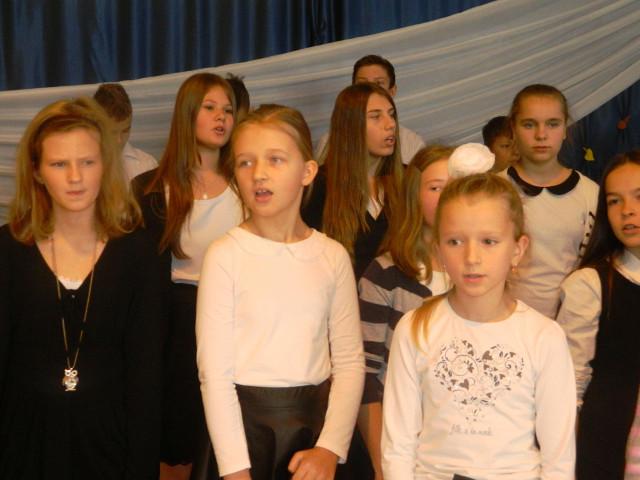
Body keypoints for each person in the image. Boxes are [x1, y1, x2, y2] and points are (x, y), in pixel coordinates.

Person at [196, 104, 365, 480]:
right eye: (245, 162)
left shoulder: (332, 256)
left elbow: (350, 362)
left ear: (307, 171)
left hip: (315, 433)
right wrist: (235, 469)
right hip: (244, 437)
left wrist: (329, 448)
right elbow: (215, 374)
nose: (258, 174)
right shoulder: (225, 255)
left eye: (275, 160)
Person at [0, 97, 165, 479]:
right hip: (21, 446)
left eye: (87, 162)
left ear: (105, 165)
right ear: (37, 171)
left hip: (111, 449)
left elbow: (146, 377)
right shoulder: (7, 250)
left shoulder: (140, 253)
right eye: (59, 164)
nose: (75, 177)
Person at [382, 173, 576, 479]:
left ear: (517, 249)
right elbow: (398, 446)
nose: (471, 257)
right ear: (439, 249)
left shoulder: (544, 337)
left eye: (489, 241)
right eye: (455, 241)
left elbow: (558, 458)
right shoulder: (415, 328)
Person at [131, 72, 243, 480]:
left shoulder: (247, 183)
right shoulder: (150, 188)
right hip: (176, 325)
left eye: (227, 110)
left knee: (227, 437)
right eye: (210, 108)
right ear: (187, 114)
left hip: (237, 321)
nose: (221, 117)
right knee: (178, 435)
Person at [358, 145, 453, 479]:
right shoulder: (386, 274)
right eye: (436, 187)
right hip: (403, 447)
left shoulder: (481, 276)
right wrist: (381, 463)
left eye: (457, 186)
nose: (447, 197)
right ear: (414, 195)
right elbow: (365, 376)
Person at [556, 150, 640, 479]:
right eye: (614, 201)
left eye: (638, 196)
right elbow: (570, 386)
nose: (627, 210)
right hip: (608, 451)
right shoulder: (590, 284)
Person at [505, 84, 599, 318]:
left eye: (552, 124)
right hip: (502, 319)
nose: (541, 135)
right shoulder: (492, 189)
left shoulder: (590, 194)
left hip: (570, 322)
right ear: (513, 129)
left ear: (565, 128)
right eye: (529, 124)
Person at [302, 82, 403, 279]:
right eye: (376, 116)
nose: (390, 124)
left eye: (392, 115)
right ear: (350, 125)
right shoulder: (319, 186)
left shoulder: (407, 180)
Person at [315, 54, 425, 165]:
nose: (371, 90)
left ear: (392, 91)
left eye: (378, 84)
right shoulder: (329, 143)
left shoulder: (412, 143)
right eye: (363, 85)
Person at [94, 82, 158, 181]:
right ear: (95, 126)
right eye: (112, 132)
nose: (119, 140)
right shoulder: (79, 166)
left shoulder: (147, 166)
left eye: (125, 131)